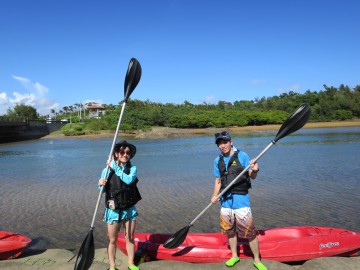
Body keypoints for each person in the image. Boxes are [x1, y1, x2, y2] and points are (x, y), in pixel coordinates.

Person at [211, 131, 267, 270]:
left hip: (241, 202)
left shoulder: (242, 156)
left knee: (250, 233)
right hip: (225, 202)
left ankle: (257, 260)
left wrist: (255, 170)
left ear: (231, 142)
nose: (222, 145)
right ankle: (235, 256)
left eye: (225, 142)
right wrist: (214, 195)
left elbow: (252, 176)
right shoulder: (217, 161)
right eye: (220, 143)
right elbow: (218, 180)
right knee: (229, 231)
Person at [98, 140, 142, 270]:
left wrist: (115, 167)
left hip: (129, 209)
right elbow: (102, 191)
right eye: (122, 152)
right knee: (112, 240)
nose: (125, 154)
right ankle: (112, 266)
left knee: (130, 238)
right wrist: (100, 184)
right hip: (113, 211)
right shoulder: (106, 170)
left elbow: (128, 180)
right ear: (116, 153)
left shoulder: (133, 169)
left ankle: (131, 264)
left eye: (128, 152)